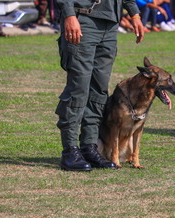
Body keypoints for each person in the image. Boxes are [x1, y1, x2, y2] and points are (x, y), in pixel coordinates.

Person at [56, 0, 144, 171]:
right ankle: (69, 151)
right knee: (78, 90)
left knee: (99, 91)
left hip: (110, 24)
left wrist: (134, 14)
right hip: (83, 18)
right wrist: (69, 14)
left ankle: (89, 147)